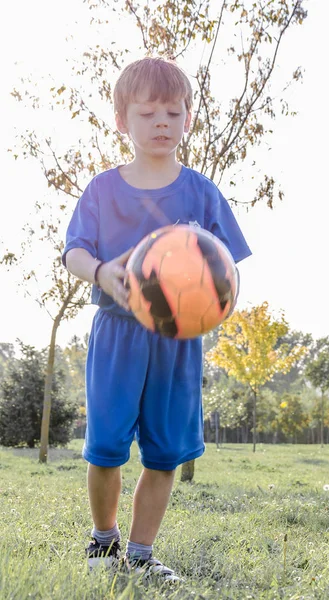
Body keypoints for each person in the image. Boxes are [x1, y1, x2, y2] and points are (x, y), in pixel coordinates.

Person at [62, 56, 252, 583]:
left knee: (165, 453)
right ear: (123, 120)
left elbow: (228, 271)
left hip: (177, 343)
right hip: (117, 335)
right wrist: (102, 272)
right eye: (148, 113)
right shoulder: (103, 189)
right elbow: (73, 253)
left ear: (189, 118)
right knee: (104, 449)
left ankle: (142, 554)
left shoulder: (201, 193)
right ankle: (104, 541)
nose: (162, 122)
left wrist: (212, 298)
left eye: (174, 111)